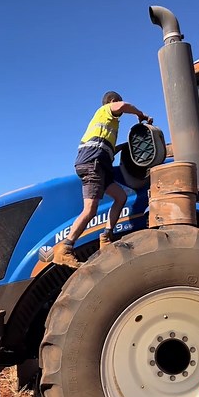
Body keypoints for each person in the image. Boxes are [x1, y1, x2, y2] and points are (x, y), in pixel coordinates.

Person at [53, 91, 153, 268]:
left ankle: (106, 236)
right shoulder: (106, 110)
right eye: (118, 103)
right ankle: (65, 248)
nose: (120, 109)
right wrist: (141, 114)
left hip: (100, 165)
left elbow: (109, 150)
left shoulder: (109, 126)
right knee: (90, 209)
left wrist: (125, 146)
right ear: (113, 101)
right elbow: (122, 106)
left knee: (120, 197)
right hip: (92, 163)